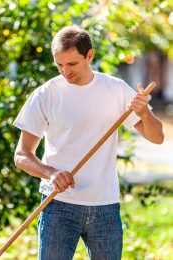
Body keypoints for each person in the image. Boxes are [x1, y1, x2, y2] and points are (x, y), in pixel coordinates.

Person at [13, 25, 164, 260]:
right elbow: (22, 155)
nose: (65, 72)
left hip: (104, 205)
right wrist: (50, 173)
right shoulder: (47, 94)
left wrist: (145, 113)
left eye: (72, 64)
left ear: (89, 55)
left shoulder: (115, 90)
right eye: (59, 65)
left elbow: (157, 137)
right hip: (58, 205)